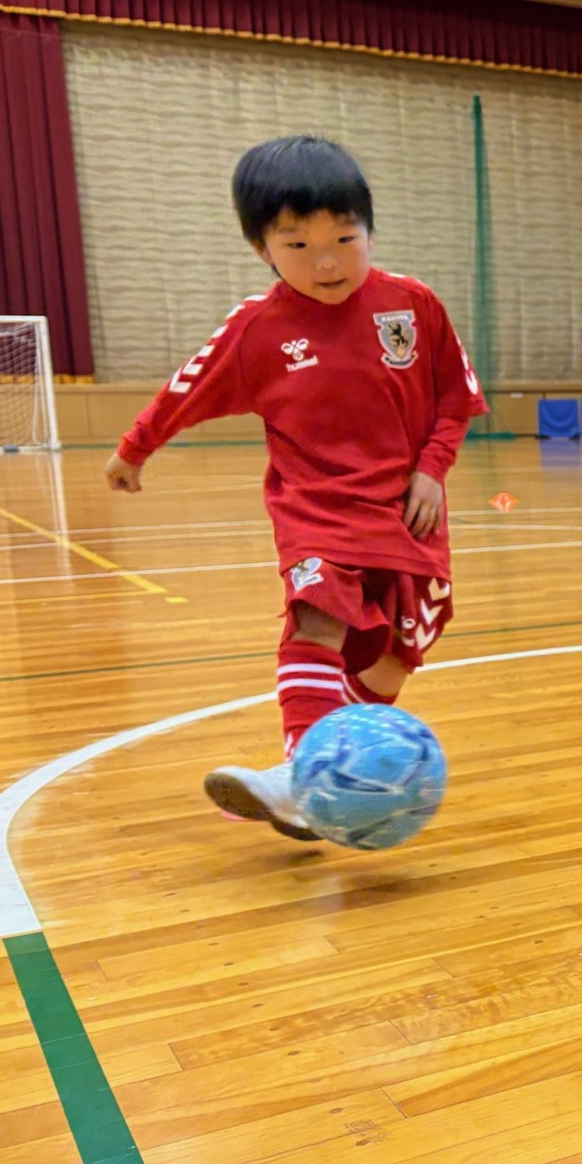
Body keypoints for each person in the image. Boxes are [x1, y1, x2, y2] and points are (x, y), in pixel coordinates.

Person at [105, 135, 487, 839]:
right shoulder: (258, 329)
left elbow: (456, 397)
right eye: (299, 246)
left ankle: (319, 780)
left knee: (401, 651)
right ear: (263, 250)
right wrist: (136, 449)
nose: (329, 261)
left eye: (345, 238)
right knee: (318, 617)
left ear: (370, 229)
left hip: (406, 513)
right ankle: (299, 772)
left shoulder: (412, 305)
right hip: (315, 508)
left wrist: (433, 466)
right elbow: (185, 388)